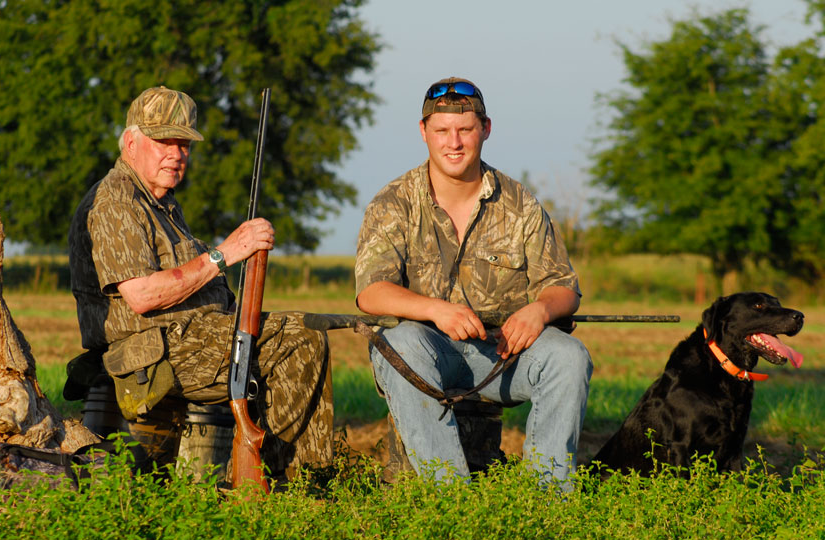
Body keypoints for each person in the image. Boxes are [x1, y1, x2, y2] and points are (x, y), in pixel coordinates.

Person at [68, 86, 332, 478]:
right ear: (130, 142)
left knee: (304, 331)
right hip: (156, 348)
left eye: (184, 144)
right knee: (299, 340)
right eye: (164, 142)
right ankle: (290, 484)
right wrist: (224, 253)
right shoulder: (116, 201)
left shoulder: (162, 202)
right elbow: (141, 294)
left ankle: (280, 479)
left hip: (189, 337)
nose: (176, 154)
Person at [354, 77, 592, 489]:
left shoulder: (519, 203)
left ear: (485, 129)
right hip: (425, 354)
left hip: (501, 355)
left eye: (465, 129)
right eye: (442, 131)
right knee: (402, 342)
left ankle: (549, 500)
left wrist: (539, 311)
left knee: (569, 356)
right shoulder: (393, 202)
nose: (454, 142)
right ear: (423, 132)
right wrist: (436, 310)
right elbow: (371, 292)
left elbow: (562, 286)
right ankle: (452, 500)